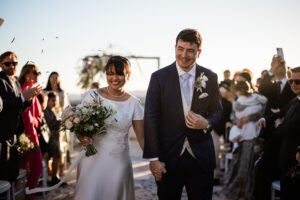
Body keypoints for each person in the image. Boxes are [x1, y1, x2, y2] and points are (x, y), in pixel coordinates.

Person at [143, 29, 222, 200]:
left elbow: (218, 111)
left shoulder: (210, 77)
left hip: (201, 157)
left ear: (198, 52)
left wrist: (206, 123)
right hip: (168, 158)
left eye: (190, 50)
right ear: (175, 48)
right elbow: (151, 118)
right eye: (180, 48)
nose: (184, 55)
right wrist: (154, 158)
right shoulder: (158, 77)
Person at [74, 56, 144, 200]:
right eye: (110, 73)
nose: (114, 78)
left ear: (128, 75)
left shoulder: (134, 104)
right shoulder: (92, 96)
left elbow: (142, 138)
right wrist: (82, 137)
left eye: (119, 73)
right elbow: (79, 125)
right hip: (92, 159)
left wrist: (156, 159)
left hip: (119, 162)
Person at [255, 55, 296, 200]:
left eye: (282, 64)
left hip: (289, 133)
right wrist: (271, 69)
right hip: (271, 133)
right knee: (264, 170)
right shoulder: (271, 86)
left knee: (284, 171)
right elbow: (262, 88)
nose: (279, 66)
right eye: (276, 64)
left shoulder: (294, 84)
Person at [0, 51, 40, 182]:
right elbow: (2, 106)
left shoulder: (16, 82)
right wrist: (23, 97)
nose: (11, 66)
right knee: (4, 174)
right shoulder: (0, 80)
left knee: (12, 173)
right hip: (3, 134)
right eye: (7, 63)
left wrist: (28, 99)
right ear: (1, 65)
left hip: (14, 135)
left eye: (14, 63)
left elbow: (20, 107)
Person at [223, 81, 266, 200]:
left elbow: (263, 113)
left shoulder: (257, 99)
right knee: (236, 165)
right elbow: (232, 115)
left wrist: (249, 118)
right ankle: (235, 193)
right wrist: (237, 121)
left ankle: (246, 194)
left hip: (251, 137)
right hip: (239, 135)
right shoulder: (238, 101)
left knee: (246, 168)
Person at [18, 62, 43, 200]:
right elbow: (27, 116)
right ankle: (30, 197)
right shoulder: (27, 88)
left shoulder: (28, 88)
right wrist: (32, 137)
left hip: (27, 134)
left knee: (23, 166)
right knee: (37, 168)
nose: (37, 75)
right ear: (27, 74)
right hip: (30, 135)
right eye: (35, 72)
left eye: (38, 73)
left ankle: (21, 195)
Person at [44, 71, 71, 173]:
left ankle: (60, 170)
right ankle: (49, 171)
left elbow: (65, 107)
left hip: (59, 120)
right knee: (50, 147)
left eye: (56, 77)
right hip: (47, 119)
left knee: (60, 147)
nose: (54, 79)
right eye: (52, 77)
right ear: (49, 79)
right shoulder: (44, 91)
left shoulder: (62, 92)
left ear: (59, 79)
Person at [44, 92, 62, 185]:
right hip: (50, 139)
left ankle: (55, 176)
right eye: (52, 101)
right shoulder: (46, 111)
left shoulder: (52, 111)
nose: (54, 103)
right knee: (53, 158)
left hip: (55, 138)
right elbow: (51, 123)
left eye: (55, 101)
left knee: (56, 158)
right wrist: (61, 121)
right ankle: (51, 178)